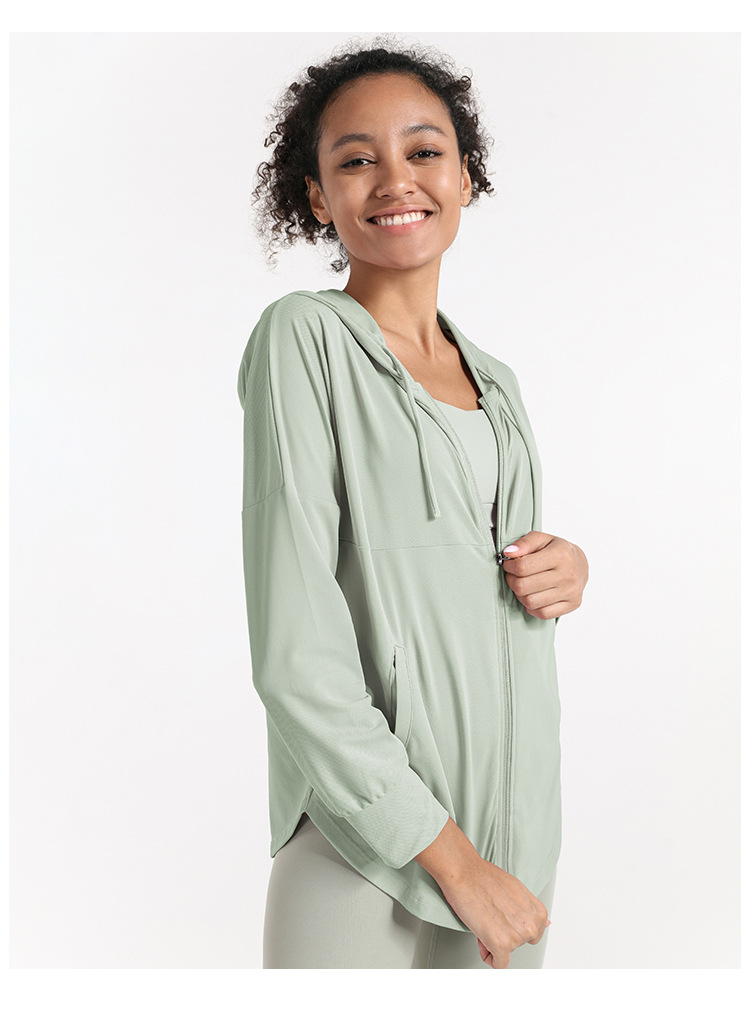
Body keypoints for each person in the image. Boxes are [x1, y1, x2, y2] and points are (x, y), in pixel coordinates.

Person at [237, 37, 589, 969]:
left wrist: (567, 568)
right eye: (357, 160)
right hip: (368, 848)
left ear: (464, 177)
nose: (395, 180)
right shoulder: (304, 340)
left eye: (423, 151)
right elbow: (294, 651)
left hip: (514, 845)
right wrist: (450, 861)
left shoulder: (498, 383)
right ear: (318, 197)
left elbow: (480, 572)